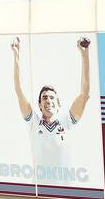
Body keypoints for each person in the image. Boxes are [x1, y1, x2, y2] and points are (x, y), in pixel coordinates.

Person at [11, 36, 91, 173]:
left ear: (59, 104)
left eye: (52, 98)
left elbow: (84, 93)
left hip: (65, 190)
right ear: (40, 105)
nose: (48, 100)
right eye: (44, 98)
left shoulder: (67, 122)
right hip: (39, 188)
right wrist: (16, 54)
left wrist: (84, 54)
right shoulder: (34, 123)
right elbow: (19, 90)